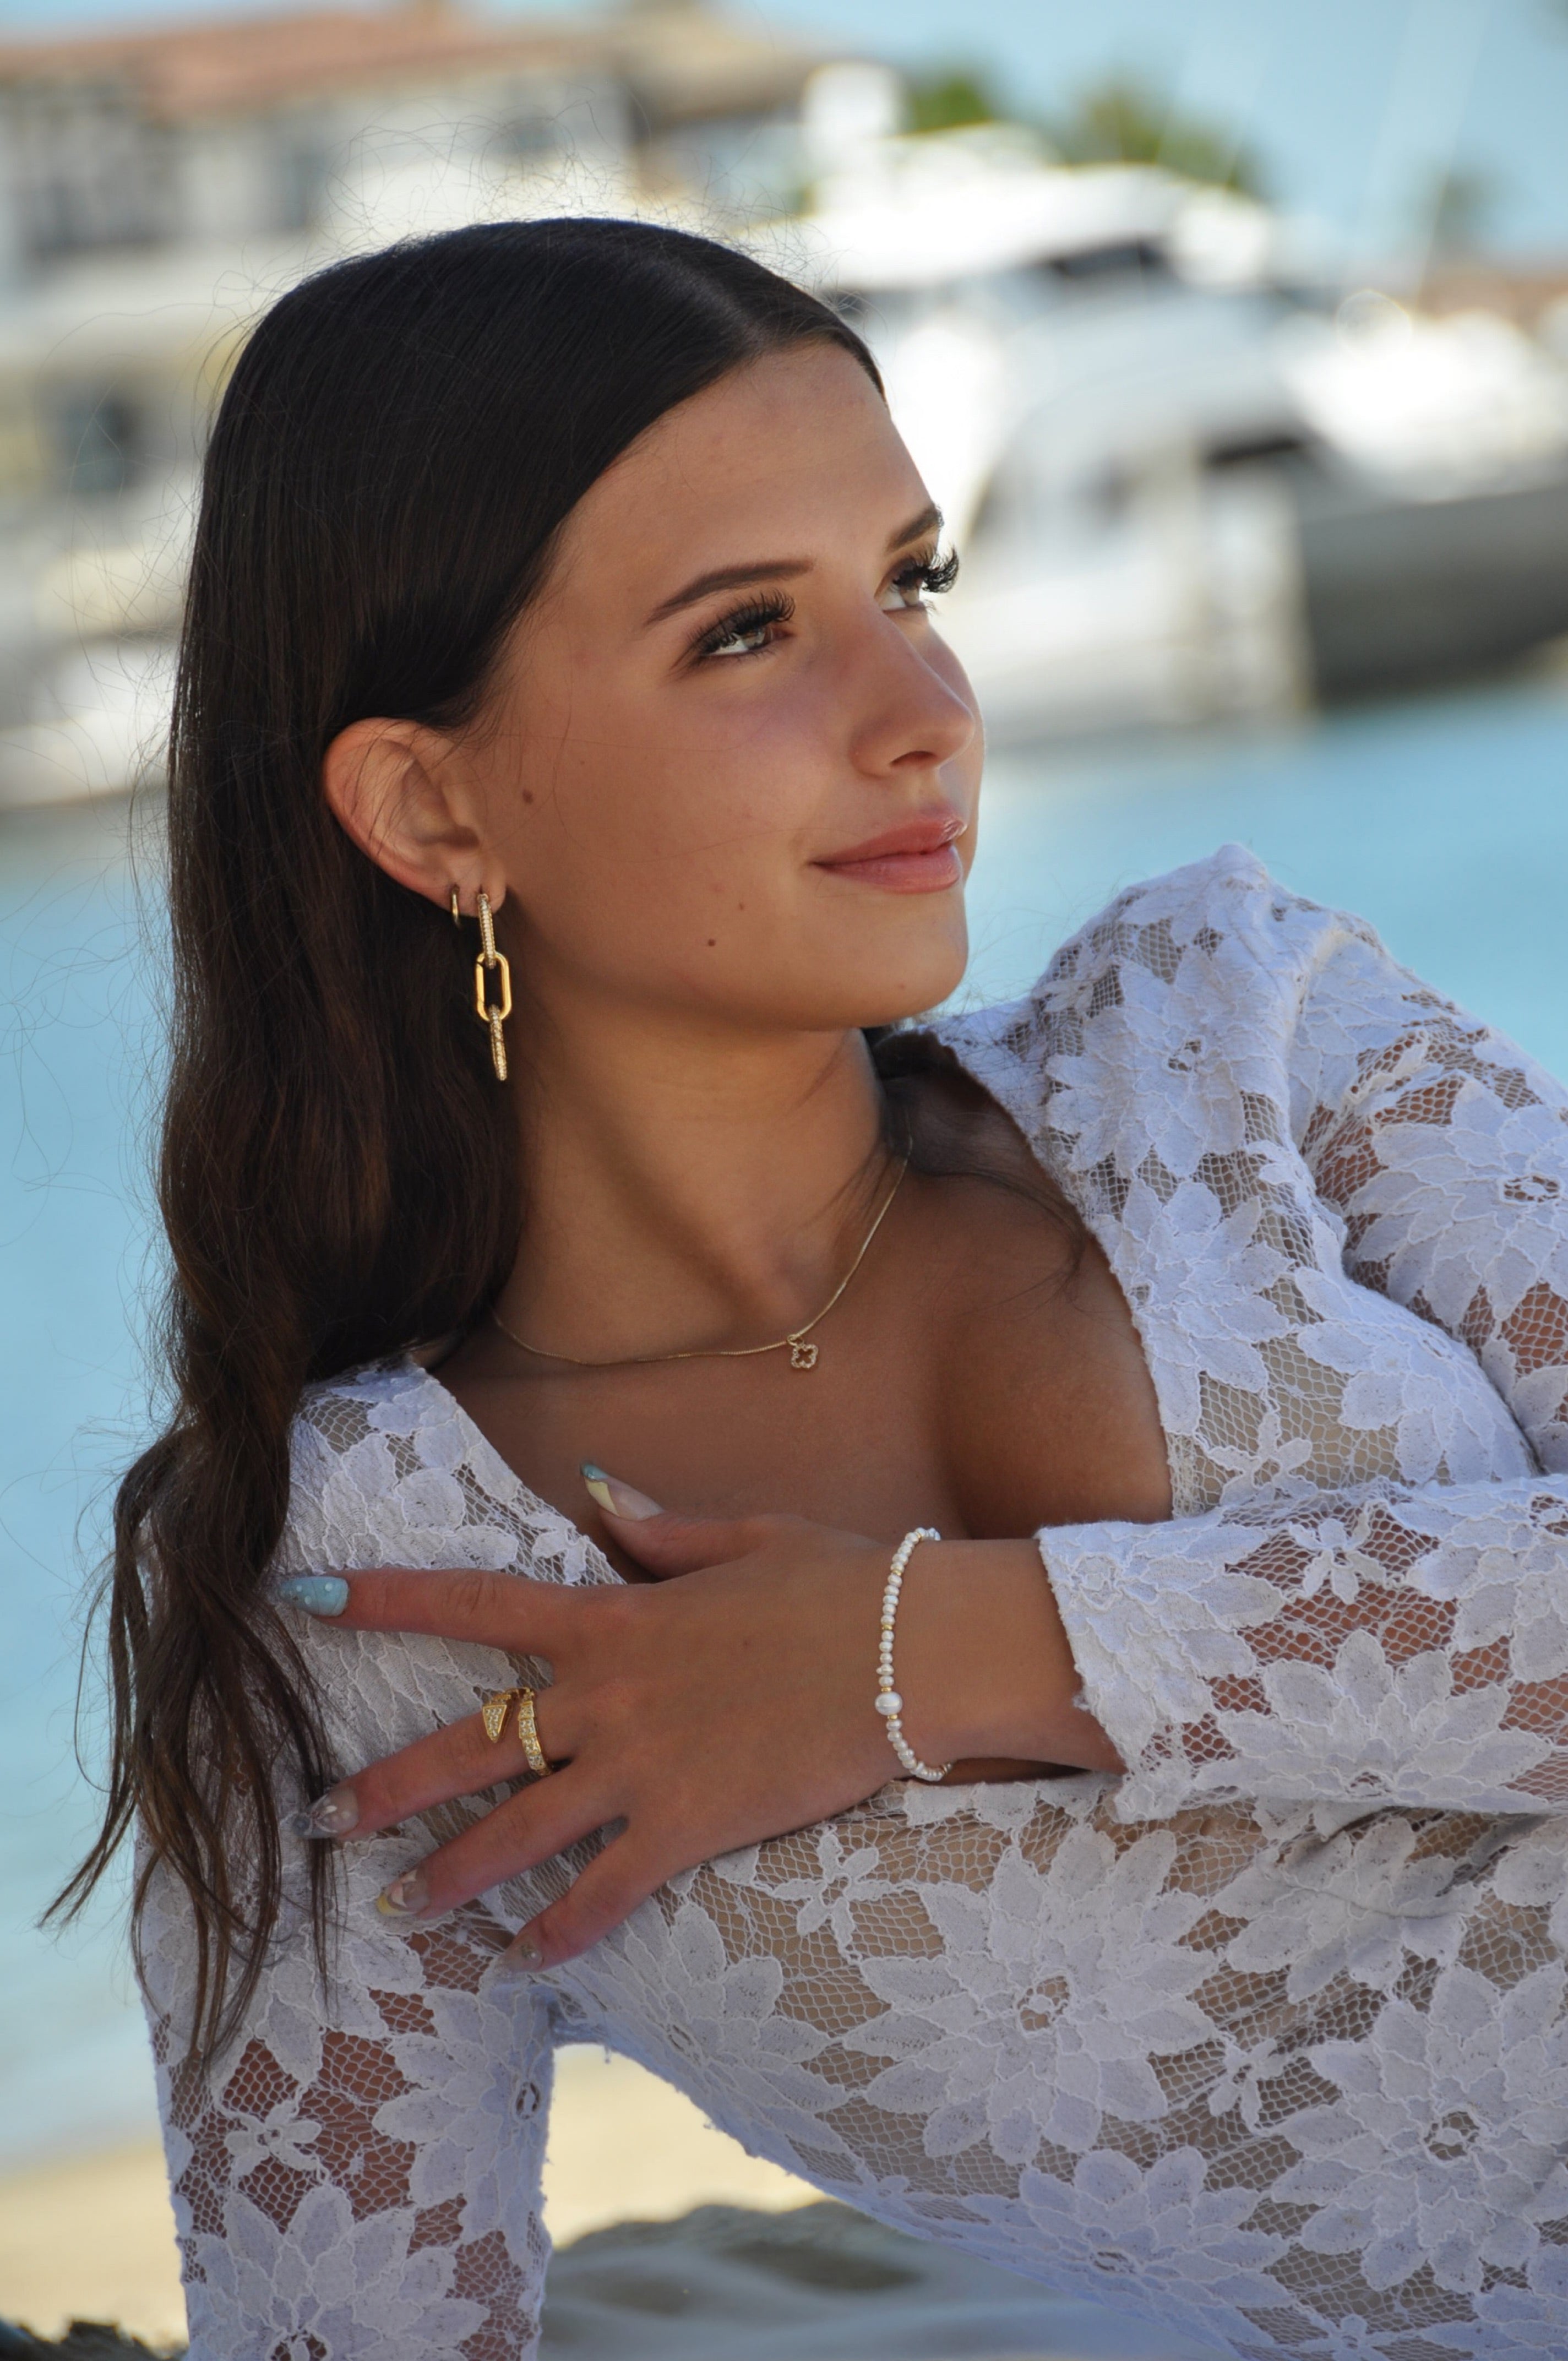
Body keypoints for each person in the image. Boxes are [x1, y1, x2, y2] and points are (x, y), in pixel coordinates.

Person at [64, 218, 1568, 2361]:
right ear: (430, 807)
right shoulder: (368, 1591)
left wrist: (919, 1653)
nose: (925, 714)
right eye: (748, 631)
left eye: (912, 583)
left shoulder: (1233, 1028)